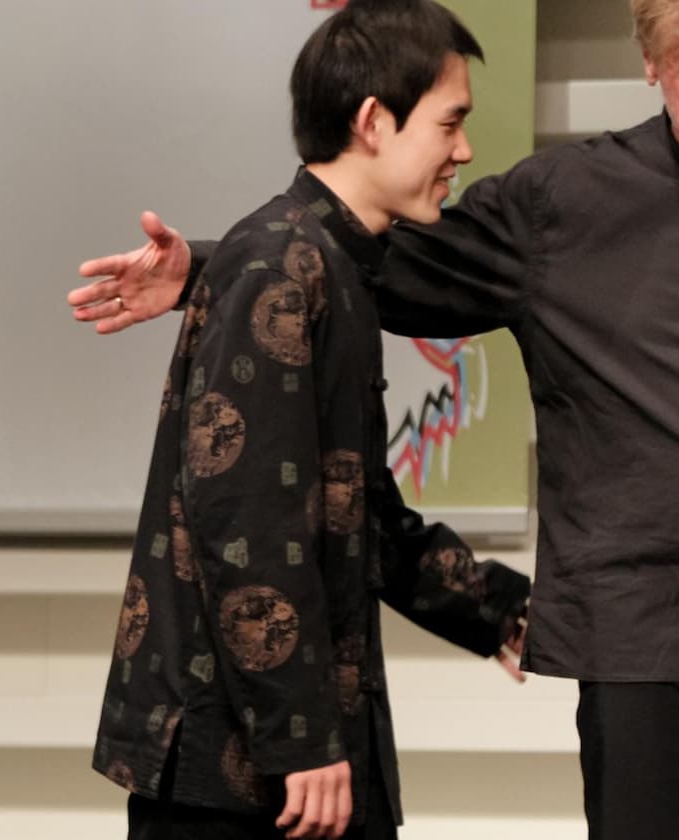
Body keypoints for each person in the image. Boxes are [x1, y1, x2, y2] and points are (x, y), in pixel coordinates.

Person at [70, 1, 679, 837]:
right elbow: (371, 261)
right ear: (654, 66)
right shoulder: (558, 201)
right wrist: (210, 263)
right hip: (638, 643)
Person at [85, 3, 531, 839]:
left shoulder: (334, 265)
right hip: (243, 767)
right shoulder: (280, 267)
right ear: (372, 121)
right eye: (451, 122)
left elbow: (357, 507)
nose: (464, 151)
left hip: (289, 752)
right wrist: (301, 741)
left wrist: (498, 609)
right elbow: (245, 520)